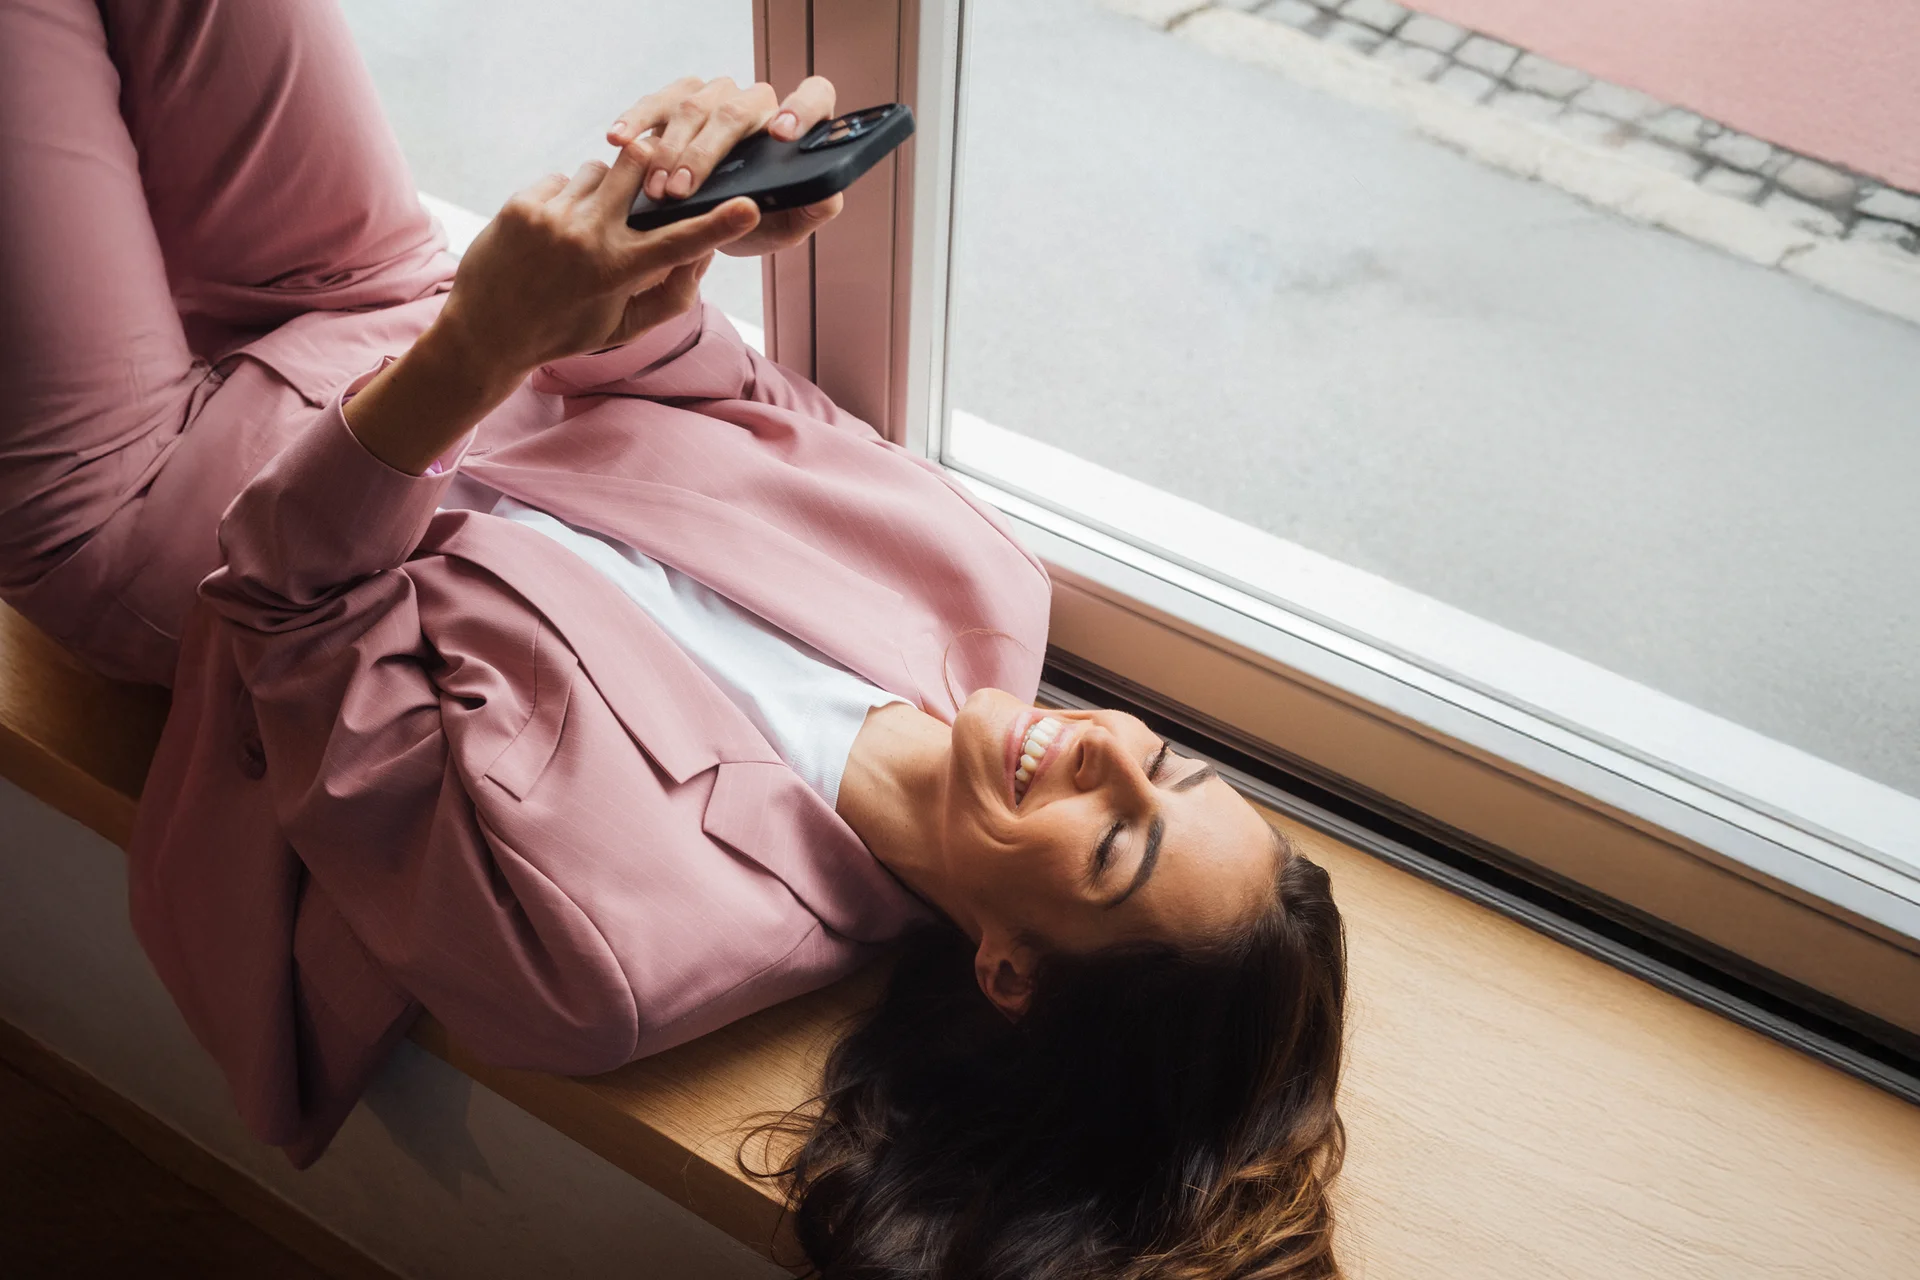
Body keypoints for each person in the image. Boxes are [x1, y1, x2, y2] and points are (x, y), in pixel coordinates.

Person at [0, 1, 1347, 1275]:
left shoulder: (610, 959)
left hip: (150, 501)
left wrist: (484, 344)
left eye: (1115, 843)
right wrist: (667, 250)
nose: (1107, 750)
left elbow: (283, 622)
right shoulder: (979, 583)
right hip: (373, 288)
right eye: (1165, 768)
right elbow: (683, 384)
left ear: (1009, 971)